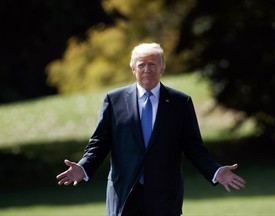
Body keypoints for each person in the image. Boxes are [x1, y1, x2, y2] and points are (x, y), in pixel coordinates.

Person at [56, 42, 246, 216]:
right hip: (124, 195)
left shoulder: (180, 102)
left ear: (162, 68)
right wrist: (83, 166)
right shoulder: (114, 100)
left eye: (153, 64)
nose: (147, 69)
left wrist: (215, 171)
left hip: (164, 197)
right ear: (133, 68)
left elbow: (193, 147)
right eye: (141, 64)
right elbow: (100, 142)